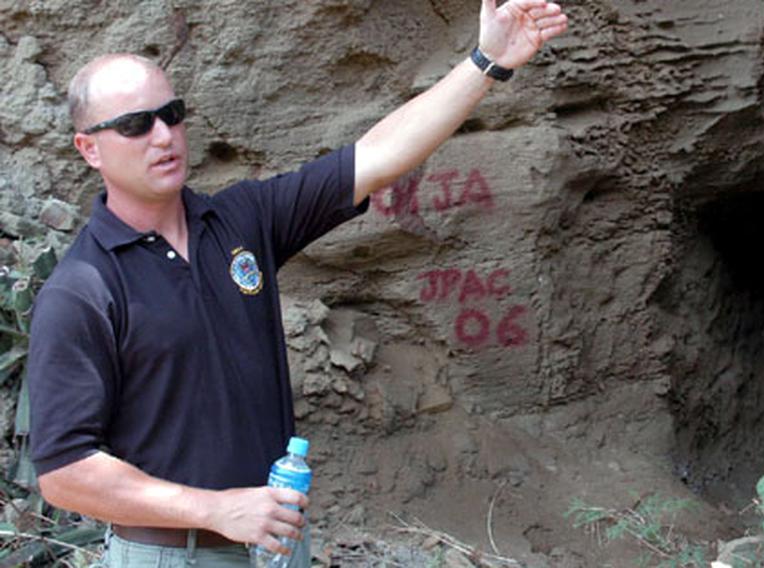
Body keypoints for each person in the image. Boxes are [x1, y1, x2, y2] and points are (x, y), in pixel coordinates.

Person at [26, 1, 568, 566]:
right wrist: (213, 510)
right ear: (89, 148)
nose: (163, 136)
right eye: (136, 125)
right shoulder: (82, 289)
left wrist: (488, 61)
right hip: (169, 555)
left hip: (277, 545)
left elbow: (378, 157)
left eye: (173, 113)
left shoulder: (241, 220)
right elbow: (65, 473)